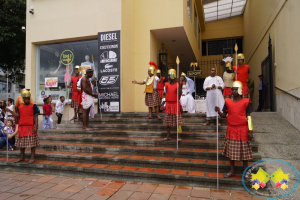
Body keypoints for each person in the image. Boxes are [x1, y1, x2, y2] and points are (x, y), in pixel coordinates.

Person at [215, 81, 253, 178]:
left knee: (244, 153)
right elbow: (224, 115)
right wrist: (219, 111)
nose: (234, 91)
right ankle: (232, 171)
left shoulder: (246, 101)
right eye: (233, 89)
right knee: (231, 152)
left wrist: (250, 131)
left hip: (243, 130)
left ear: (240, 90)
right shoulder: (227, 101)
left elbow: (248, 117)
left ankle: (246, 173)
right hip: (231, 129)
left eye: (236, 89)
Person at [5, 90, 39, 163]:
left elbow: (36, 116)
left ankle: (32, 157)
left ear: (29, 98)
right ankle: (22, 157)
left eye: (28, 98)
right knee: (21, 144)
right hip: (22, 126)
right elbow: (18, 115)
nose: (26, 100)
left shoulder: (34, 106)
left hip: (30, 126)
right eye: (25, 98)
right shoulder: (20, 107)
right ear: (23, 99)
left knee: (32, 143)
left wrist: (36, 126)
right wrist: (10, 111)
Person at [161, 69, 183, 141]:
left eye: (169, 75)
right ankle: (168, 136)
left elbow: (180, 93)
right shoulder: (166, 84)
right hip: (168, 104)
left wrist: (179, 84)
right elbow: (164, 94)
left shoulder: (178, 84)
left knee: (178, 122)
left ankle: (179, 136)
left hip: (176, 104)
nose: (168, 77)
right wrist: (163, 103)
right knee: (167, 121)